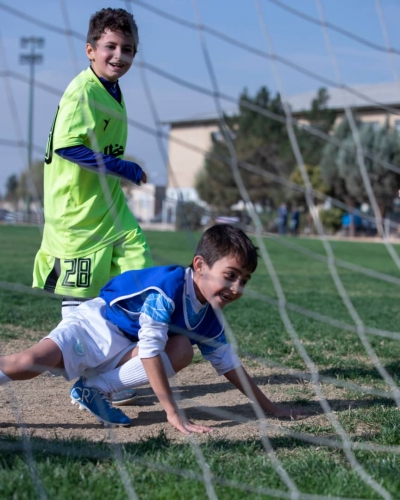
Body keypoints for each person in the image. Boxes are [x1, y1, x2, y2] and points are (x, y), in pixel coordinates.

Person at [0, 225, 302, 433]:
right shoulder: (166, 291)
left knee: (182, 348)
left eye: (244, 280)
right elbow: (150, 351)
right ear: (199, 265)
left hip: (123, 347)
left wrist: (271, 408)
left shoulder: (208, 317)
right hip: (93, 328)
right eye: (230, 275)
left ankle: (92, 389)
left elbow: (229, 365)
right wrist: (172, 412)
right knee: (28, 364)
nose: (236, 288)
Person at [32, 8, 153, 405]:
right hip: (76, 209)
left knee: (139, 275)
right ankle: (87, 377)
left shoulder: (113, 91)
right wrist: (124, 167)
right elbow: (68, 146)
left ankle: (110, 371)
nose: (119, 55)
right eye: (111, 47)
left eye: (128, 49)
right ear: (90, 50)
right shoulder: (82, 90)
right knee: (80, 292)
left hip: (109, 204)